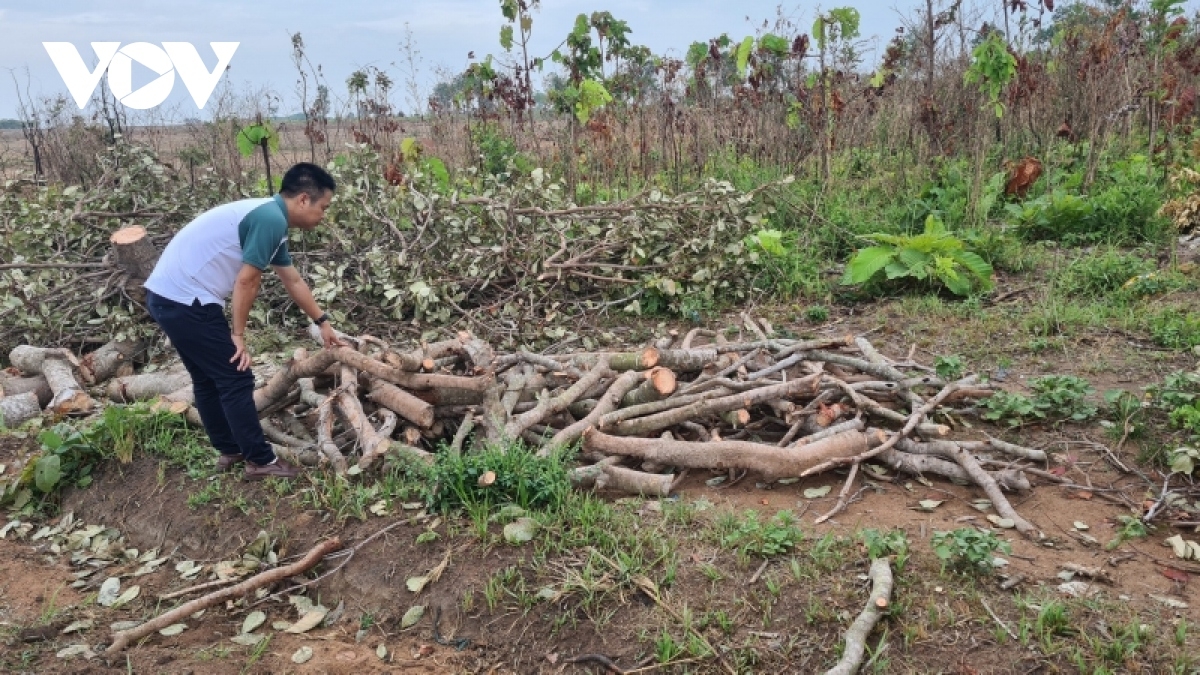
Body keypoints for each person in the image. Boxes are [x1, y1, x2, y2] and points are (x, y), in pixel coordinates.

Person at [144, 162, 347, 480]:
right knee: (236, 378)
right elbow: (247, 281)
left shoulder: (270, 217)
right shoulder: (269, 219)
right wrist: (238, 335)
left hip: (166, 296)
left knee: (210, 379)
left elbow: (292, 280)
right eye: (324, 207)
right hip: (187, 299)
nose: (324, 216)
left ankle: (230, 450)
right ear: (304, 199)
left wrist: (322, 322)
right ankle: (260, 461)